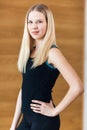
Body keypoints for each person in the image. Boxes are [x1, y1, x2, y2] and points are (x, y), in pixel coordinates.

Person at [10, 4, 83, 130]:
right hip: (26, 120)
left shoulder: (52, 53)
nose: (34, 26)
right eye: (30, 22)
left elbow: (78, 86)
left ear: (48, 24)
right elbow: (24, 89)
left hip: (43, 121)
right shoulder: (29, 52)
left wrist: (54, 111)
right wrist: (13, 126)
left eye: (39, 21)